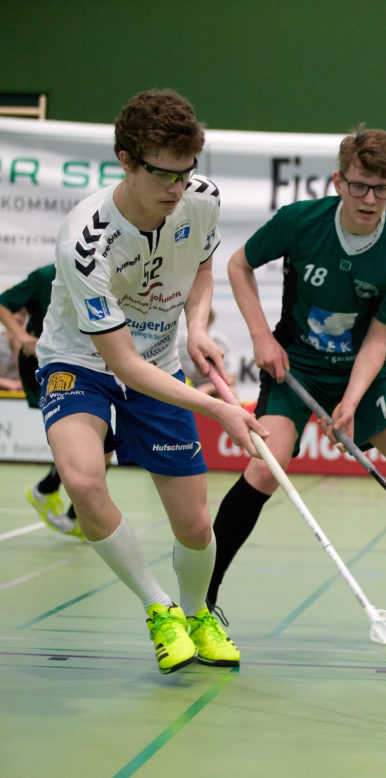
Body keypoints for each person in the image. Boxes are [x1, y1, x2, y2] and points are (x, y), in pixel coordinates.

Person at [207, 124, 386, 633]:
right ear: (339, 181)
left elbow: (376, 337)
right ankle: (202, 597)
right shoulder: (301, 222)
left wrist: (352, 400)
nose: (370, 198)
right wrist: (261, 337)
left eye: (382, 188)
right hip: (294, 367)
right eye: (360, 185)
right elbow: (238, 265)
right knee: (262, 469)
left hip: (363, 375)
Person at [35, 89, 263, 673]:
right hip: (82, 363)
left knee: (193, 524)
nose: (175, 189)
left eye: (185, 174)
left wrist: (198, 324)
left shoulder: (200, 199)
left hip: (160, 359)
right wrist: (219, 409)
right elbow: (123, 365)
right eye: (161, 174)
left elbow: (204, 263)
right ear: (126, 160)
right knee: (82, 482)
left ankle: (197, 616)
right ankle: (159, 609)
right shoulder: (85, 242)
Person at [1, 264, 85, 538]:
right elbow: (3, 304)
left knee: (102, 443)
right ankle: (49, 493)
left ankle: (71, 511)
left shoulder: (103, 271)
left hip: (84, 363)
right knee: (77, 438)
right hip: (45, 362)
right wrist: (22, 335)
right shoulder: (44, 276)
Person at [178, 305, 233, 396]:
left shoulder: (220, 341)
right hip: (186, 386)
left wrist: (207, 388)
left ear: (211, 321)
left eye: (205, 320)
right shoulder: (180, 340)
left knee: (232, 392)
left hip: (214, 388)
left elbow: (231, 378)